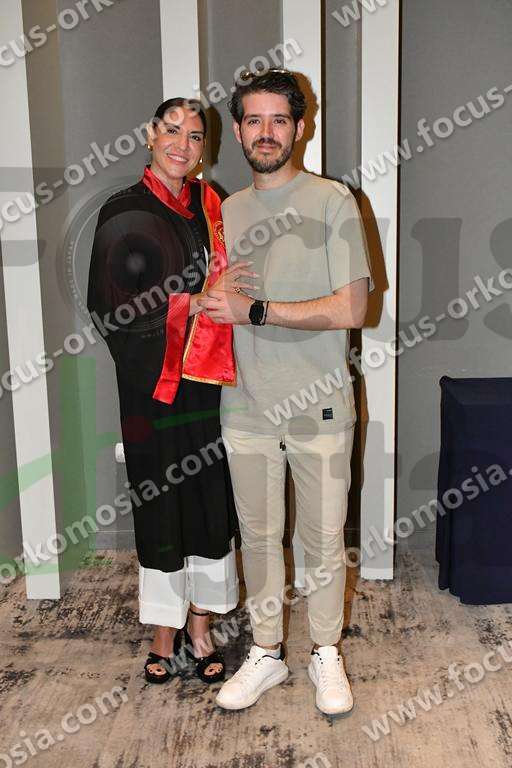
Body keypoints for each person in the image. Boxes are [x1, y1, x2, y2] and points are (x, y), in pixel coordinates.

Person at [198, 70, 374, 714]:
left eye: (279, 120)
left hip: (319, 406)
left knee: (322, 541)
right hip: (245, 404)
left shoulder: (333, 201)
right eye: (254, 120)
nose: (266, 132)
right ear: (238, 130)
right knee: (258, 534)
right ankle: (267, 652)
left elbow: (353, 307)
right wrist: (212, 300)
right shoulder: (226, 211)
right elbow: (213, 300)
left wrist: (257, 311)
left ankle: (325, 651)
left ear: (300, 127)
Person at [87, 98, 256, 685]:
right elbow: (109, 305)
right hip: (152, 386)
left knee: (209, 500)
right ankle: (164, 630)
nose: (183, 144)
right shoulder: (123, 211)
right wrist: (190, 304)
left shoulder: (212, 207)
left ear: (205, 146)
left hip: (208, 384)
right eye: (172, 131)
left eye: (195, 135)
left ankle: (201, 625)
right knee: (159, 501)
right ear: (150, 135)